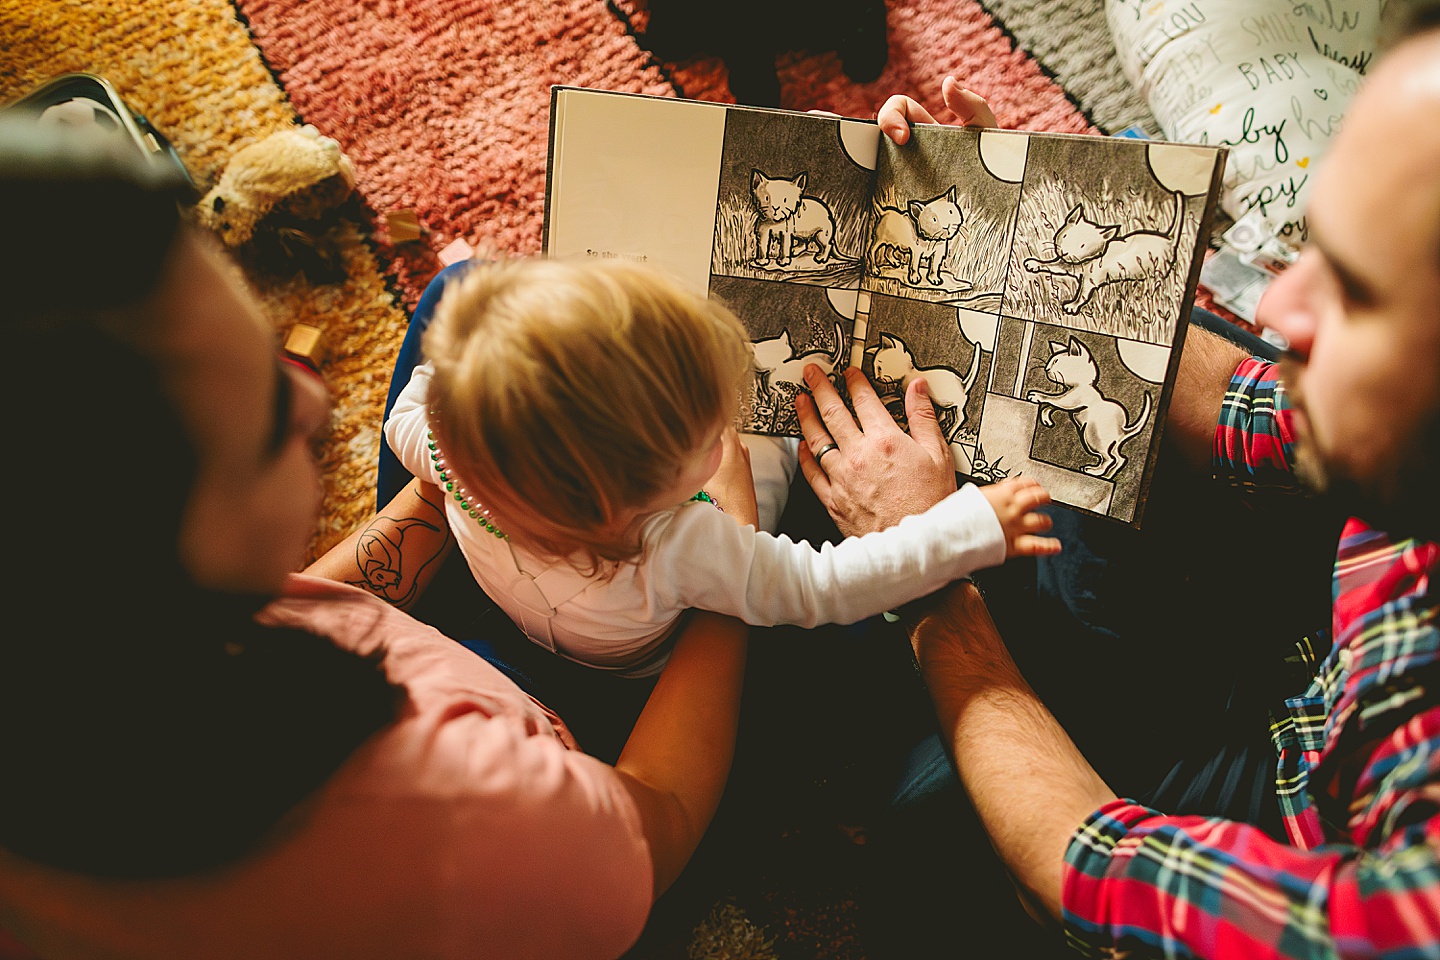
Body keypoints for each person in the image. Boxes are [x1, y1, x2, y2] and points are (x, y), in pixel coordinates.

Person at [0, 118, 752, 960]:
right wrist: (737, 561)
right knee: (819, 540)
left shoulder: (71, 633)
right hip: (607, 789)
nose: (319, 405)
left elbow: (302, 607)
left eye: (267, 351)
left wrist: (476, 491)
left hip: (468, 668)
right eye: (265, 419)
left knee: (462, 302)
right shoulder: (467, 811)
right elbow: (663, 822)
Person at [797, 5, 1440, 955]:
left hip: (1293, 816)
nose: (1277, 296)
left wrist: (923, 564)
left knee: (920, 821)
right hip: (1329, 640)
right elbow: (1256, 413)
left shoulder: (1414, 905)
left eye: (1357, 288)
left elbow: (1088, 865)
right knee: (1081, 441)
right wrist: (1039, 254)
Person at [382, 255, 1058, 680]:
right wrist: (960, 525)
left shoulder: (445, 448)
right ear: (626, 503)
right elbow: (825, 586)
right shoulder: (682, 545)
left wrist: (485, 358)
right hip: (652, 674)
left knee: (459, 282)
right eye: (700, 441)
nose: (722, 433)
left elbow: (411, 407)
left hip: (532, 615)